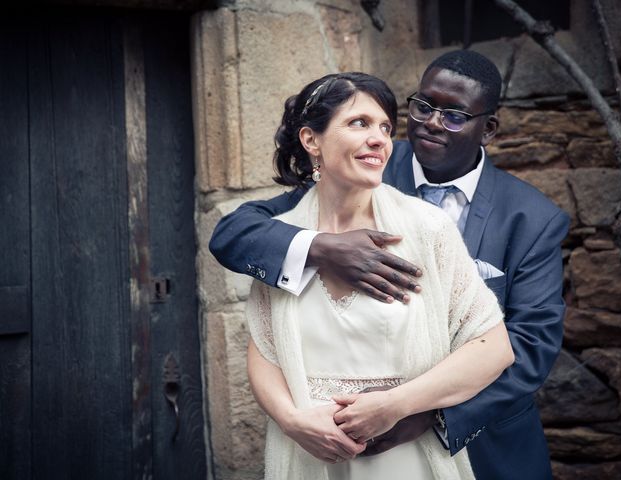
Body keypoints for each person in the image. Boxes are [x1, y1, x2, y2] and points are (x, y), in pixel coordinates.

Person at [211, 50, 570, 480]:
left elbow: (528, 347)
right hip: (324, 449)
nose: (433, 122)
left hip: (484, 440)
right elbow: (238, 232)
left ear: (487, 128)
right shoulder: (361, 167)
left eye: (454, 115)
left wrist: (426, 416)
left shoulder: (530, 218)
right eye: (423, 107)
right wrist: (323, 249)